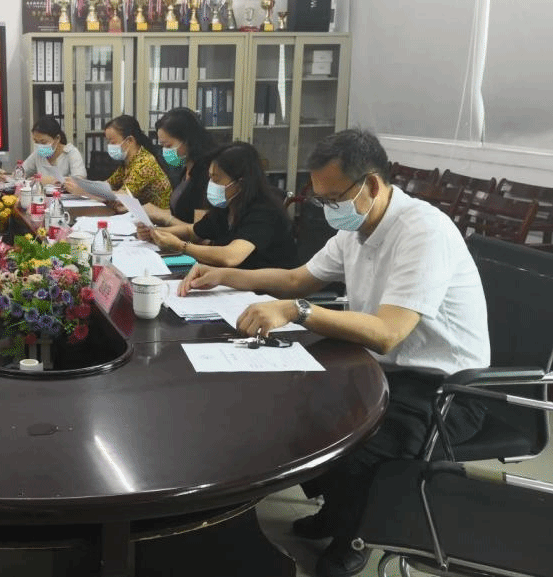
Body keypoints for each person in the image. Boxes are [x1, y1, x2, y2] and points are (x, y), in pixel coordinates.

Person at [178, 129, 490, 577]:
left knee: (352, 439)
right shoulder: (357, 227)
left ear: (372, 185)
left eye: (333, 198)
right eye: (320, 200)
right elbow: (297, 279)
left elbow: (387, 333)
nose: (327, 209)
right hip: (381, 368)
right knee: (294, 404)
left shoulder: (423, 231)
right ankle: (337, 509)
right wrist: (223, 275)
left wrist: (297, 311)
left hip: (445, 390)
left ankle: (354, 537)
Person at [140, 142, 298, 269]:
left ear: (240, 183)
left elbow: (231, 256)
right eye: (210, 177)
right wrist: (154, 232)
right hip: (233, 283)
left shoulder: (264, 211)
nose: (211, 184)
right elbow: (192, 231)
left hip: (265, 291)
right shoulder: (227, 207)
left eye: (216, 179)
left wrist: (180, 246)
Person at [63, 115, 172, 211]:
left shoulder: (144, 164)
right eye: (108, 142)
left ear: (129, 141)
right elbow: (107, 186)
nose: (110, 146)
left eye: (113, 142)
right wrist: (80, 183)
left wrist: (82, 191)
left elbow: (120, 197)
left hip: (159, 220)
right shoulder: (128, 162)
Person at [147, 107, 217, 226]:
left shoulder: (206, 173)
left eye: (168, 146)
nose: (165, 151)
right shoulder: (185, 168)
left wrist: (163, 217)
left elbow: (199, 230)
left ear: (188, 140)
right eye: (162, 146)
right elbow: (180, 214)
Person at [0, 115, 86, 185]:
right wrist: (7, 177)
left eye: (43, 142)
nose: (39, 145)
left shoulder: (71, 153)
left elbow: (80, 182)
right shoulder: (38, 154)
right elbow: (21, 173)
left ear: (57, 138)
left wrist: (54, 181)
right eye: (36, 141)